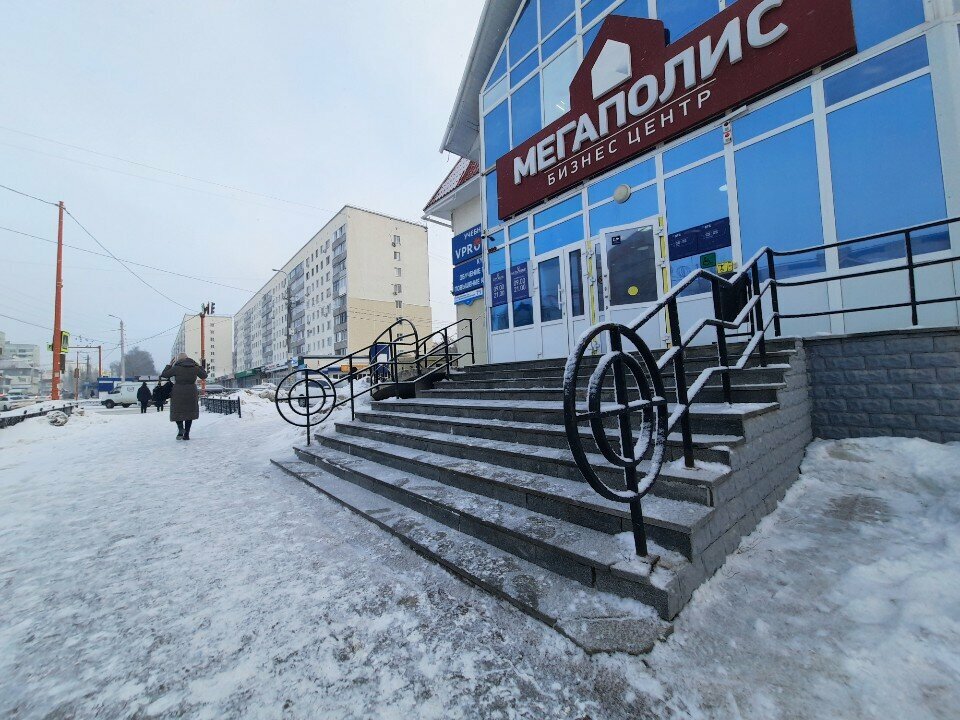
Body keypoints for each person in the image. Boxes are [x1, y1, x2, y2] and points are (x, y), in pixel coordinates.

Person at [159, 353, 208, 440]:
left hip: (178, 392)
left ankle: (181, 429)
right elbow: (204, 375)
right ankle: (186, 435)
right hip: (191, 392)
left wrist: (169, 365)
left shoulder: (176, 368)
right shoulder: (194, 367)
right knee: (189, 413)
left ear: (179, 360)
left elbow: (164, 374)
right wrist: (199, 365)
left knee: (177, 411)